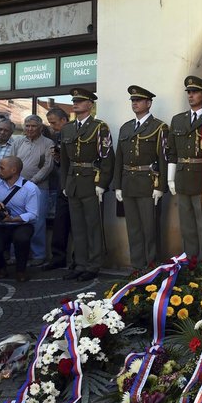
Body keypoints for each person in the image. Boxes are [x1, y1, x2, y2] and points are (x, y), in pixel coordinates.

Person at [58, 88, 113, 282]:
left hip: (91, 181)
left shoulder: (99, 127)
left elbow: (107, 158)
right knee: (78, 227)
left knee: (92, 226)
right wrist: (65, 182)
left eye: (80, 101)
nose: (75, 103)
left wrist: (102, 183)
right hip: (73, 182)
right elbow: (64, 160)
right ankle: (80, 263)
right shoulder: (67, 129)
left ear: (90, 104)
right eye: (74, 100)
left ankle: (93, 264)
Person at [113, 85, 168, 271]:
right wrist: (117, 185)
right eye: (133, 101)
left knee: (150, 229)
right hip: (128, 183)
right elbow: (119, 157)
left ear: (149, 103)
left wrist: (160, 186)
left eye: (138, 100)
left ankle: (151, 267)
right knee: (133, 229)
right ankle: (137, 267)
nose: (135, 103)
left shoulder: (159, 127)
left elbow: (163, 158)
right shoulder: (126, 127)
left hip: (148, 184)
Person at [167, 76, 202, 262]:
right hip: (183, 178)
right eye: (189, 92)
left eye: (195, 92)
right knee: (187, 226)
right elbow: (172, 152)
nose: (191, 96)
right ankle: (190, 263)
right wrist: (171, 178)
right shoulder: (178, 120)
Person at [0, 156, 40, 282]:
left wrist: (12, 219)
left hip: (20, 224)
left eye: (1, 168)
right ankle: (1, 267)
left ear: (13, 170)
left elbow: (33, 214)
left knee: (22, 238)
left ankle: (21, 270)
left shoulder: (31, 188)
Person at [14, 114, 54, 265]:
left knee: (37, 222)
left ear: (40, 128)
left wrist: (32, 182)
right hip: (16, 187)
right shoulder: (18, 142)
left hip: (39, 188)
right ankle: (16, 254)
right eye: (27, 125)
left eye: (33, 126)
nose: (30, 129)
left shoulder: (48, 143)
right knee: (16, 220)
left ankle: (38, 255)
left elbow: (48, 166)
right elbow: (12, 161)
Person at [45, 107, 72, 270]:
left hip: (76, 183)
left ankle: (78, 259)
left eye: (54, 123)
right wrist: (57, 158)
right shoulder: (58, 135)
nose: (52, 127)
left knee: (78, 225)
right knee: (60, 222)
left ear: (63, 120)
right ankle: (58, 257)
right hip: (62, 183)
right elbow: (62, 161)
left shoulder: (74, 132)